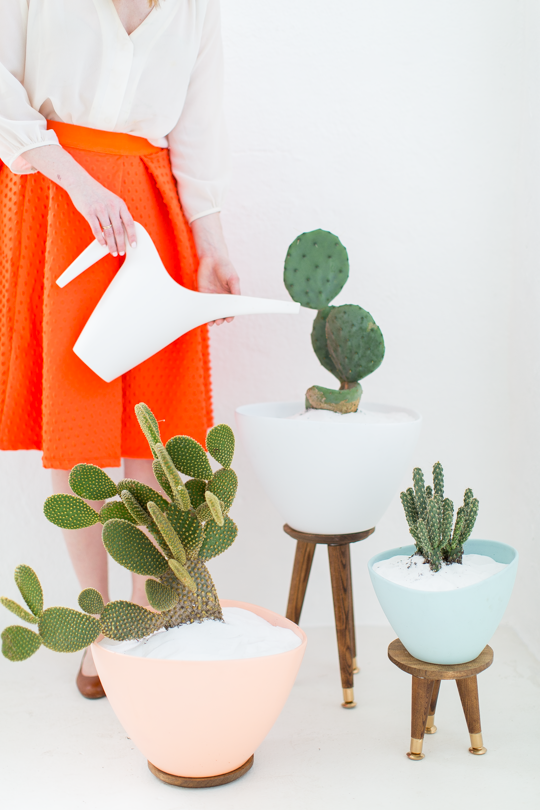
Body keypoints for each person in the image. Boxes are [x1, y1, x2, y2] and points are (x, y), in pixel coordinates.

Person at [0, 0, 239, 698]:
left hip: (152, 210)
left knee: (159, 421)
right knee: (79, 414)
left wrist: (214, 250)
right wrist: (76, 181)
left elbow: (198, 136)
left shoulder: (198, 10)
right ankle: (99, 626)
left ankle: (151, 617)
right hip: (59, 199)